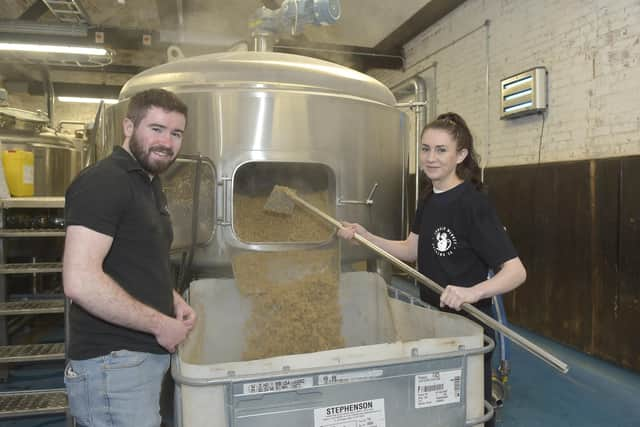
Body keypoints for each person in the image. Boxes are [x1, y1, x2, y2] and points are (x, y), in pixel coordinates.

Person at [338, 112, 526, 426]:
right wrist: (365, 236)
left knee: (471, 412)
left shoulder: (473, 204)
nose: (431, 157)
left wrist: (471, 292)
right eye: (425, 149)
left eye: (441, 150)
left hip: (468, 329)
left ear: (460, 155)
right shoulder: (428, 199)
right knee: (437, 410)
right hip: (431, 320)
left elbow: (516, 271)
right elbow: (411, 250)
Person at [62, 88, 196, 427]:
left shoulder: (147, 184)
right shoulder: (105, 182)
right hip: (112, 366)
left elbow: (133, 261)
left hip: (134, 362)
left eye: (175, 133)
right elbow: (80, 282)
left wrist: (171, 299)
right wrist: (160, 324)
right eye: (156, 129)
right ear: (127, 126)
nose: (166, 141)